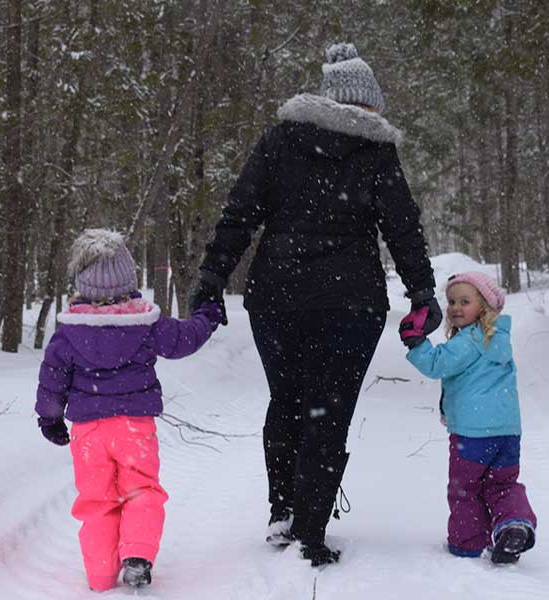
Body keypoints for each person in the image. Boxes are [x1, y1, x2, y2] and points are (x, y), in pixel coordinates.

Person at [188, 43, 440, 566]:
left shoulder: (280, 141)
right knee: (330, 409)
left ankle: (283, 509)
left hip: (278, 296)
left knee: (287, 400)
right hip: (351, 300)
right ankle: (311, 527)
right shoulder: (376, 151)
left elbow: (240, 213)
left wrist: (212, 275)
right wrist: (422, 291)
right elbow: (402, 227)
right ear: (367, 104)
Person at [35, 228, 224, 591]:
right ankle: (137, 554)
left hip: (89, 433)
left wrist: (50, 416)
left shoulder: (70, 332)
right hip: (135, 427)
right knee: (141, 490)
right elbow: (185, 339)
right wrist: (208, 315)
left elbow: (52, 376)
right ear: (128, 279)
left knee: (96, 501)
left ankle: (101, 576)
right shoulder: (145, 324)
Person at [399, 272, 537, 564]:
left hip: (472, 435)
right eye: (451, 301)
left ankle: (468, 543)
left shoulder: (471, 339)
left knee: (465, 489)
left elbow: (437, 364)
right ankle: (513, 524)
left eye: (465, 301)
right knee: (503, 484)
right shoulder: (497, 337)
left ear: (484, 306)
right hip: (507, 432)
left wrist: (414, 340)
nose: (455, 308)